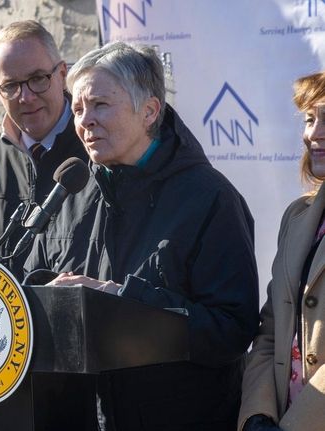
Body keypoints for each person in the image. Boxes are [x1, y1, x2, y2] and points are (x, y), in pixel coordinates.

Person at [25, 41, 260, 430]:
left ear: (149, 111)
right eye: (78, 109)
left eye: (100, 105)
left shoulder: (210, 199)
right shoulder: (69, 193)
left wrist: (119, 300)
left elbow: (230, 331)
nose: (85, 121)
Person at [0, 20, 88, 281]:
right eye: (10, 86)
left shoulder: (97, 153)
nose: (26, 96)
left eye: (37, 79)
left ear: (63, 74)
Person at [238, 71, 325, 431]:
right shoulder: (297, 217)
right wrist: (258, 415)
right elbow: (272, 329)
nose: (313, 134)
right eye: (310, 119)